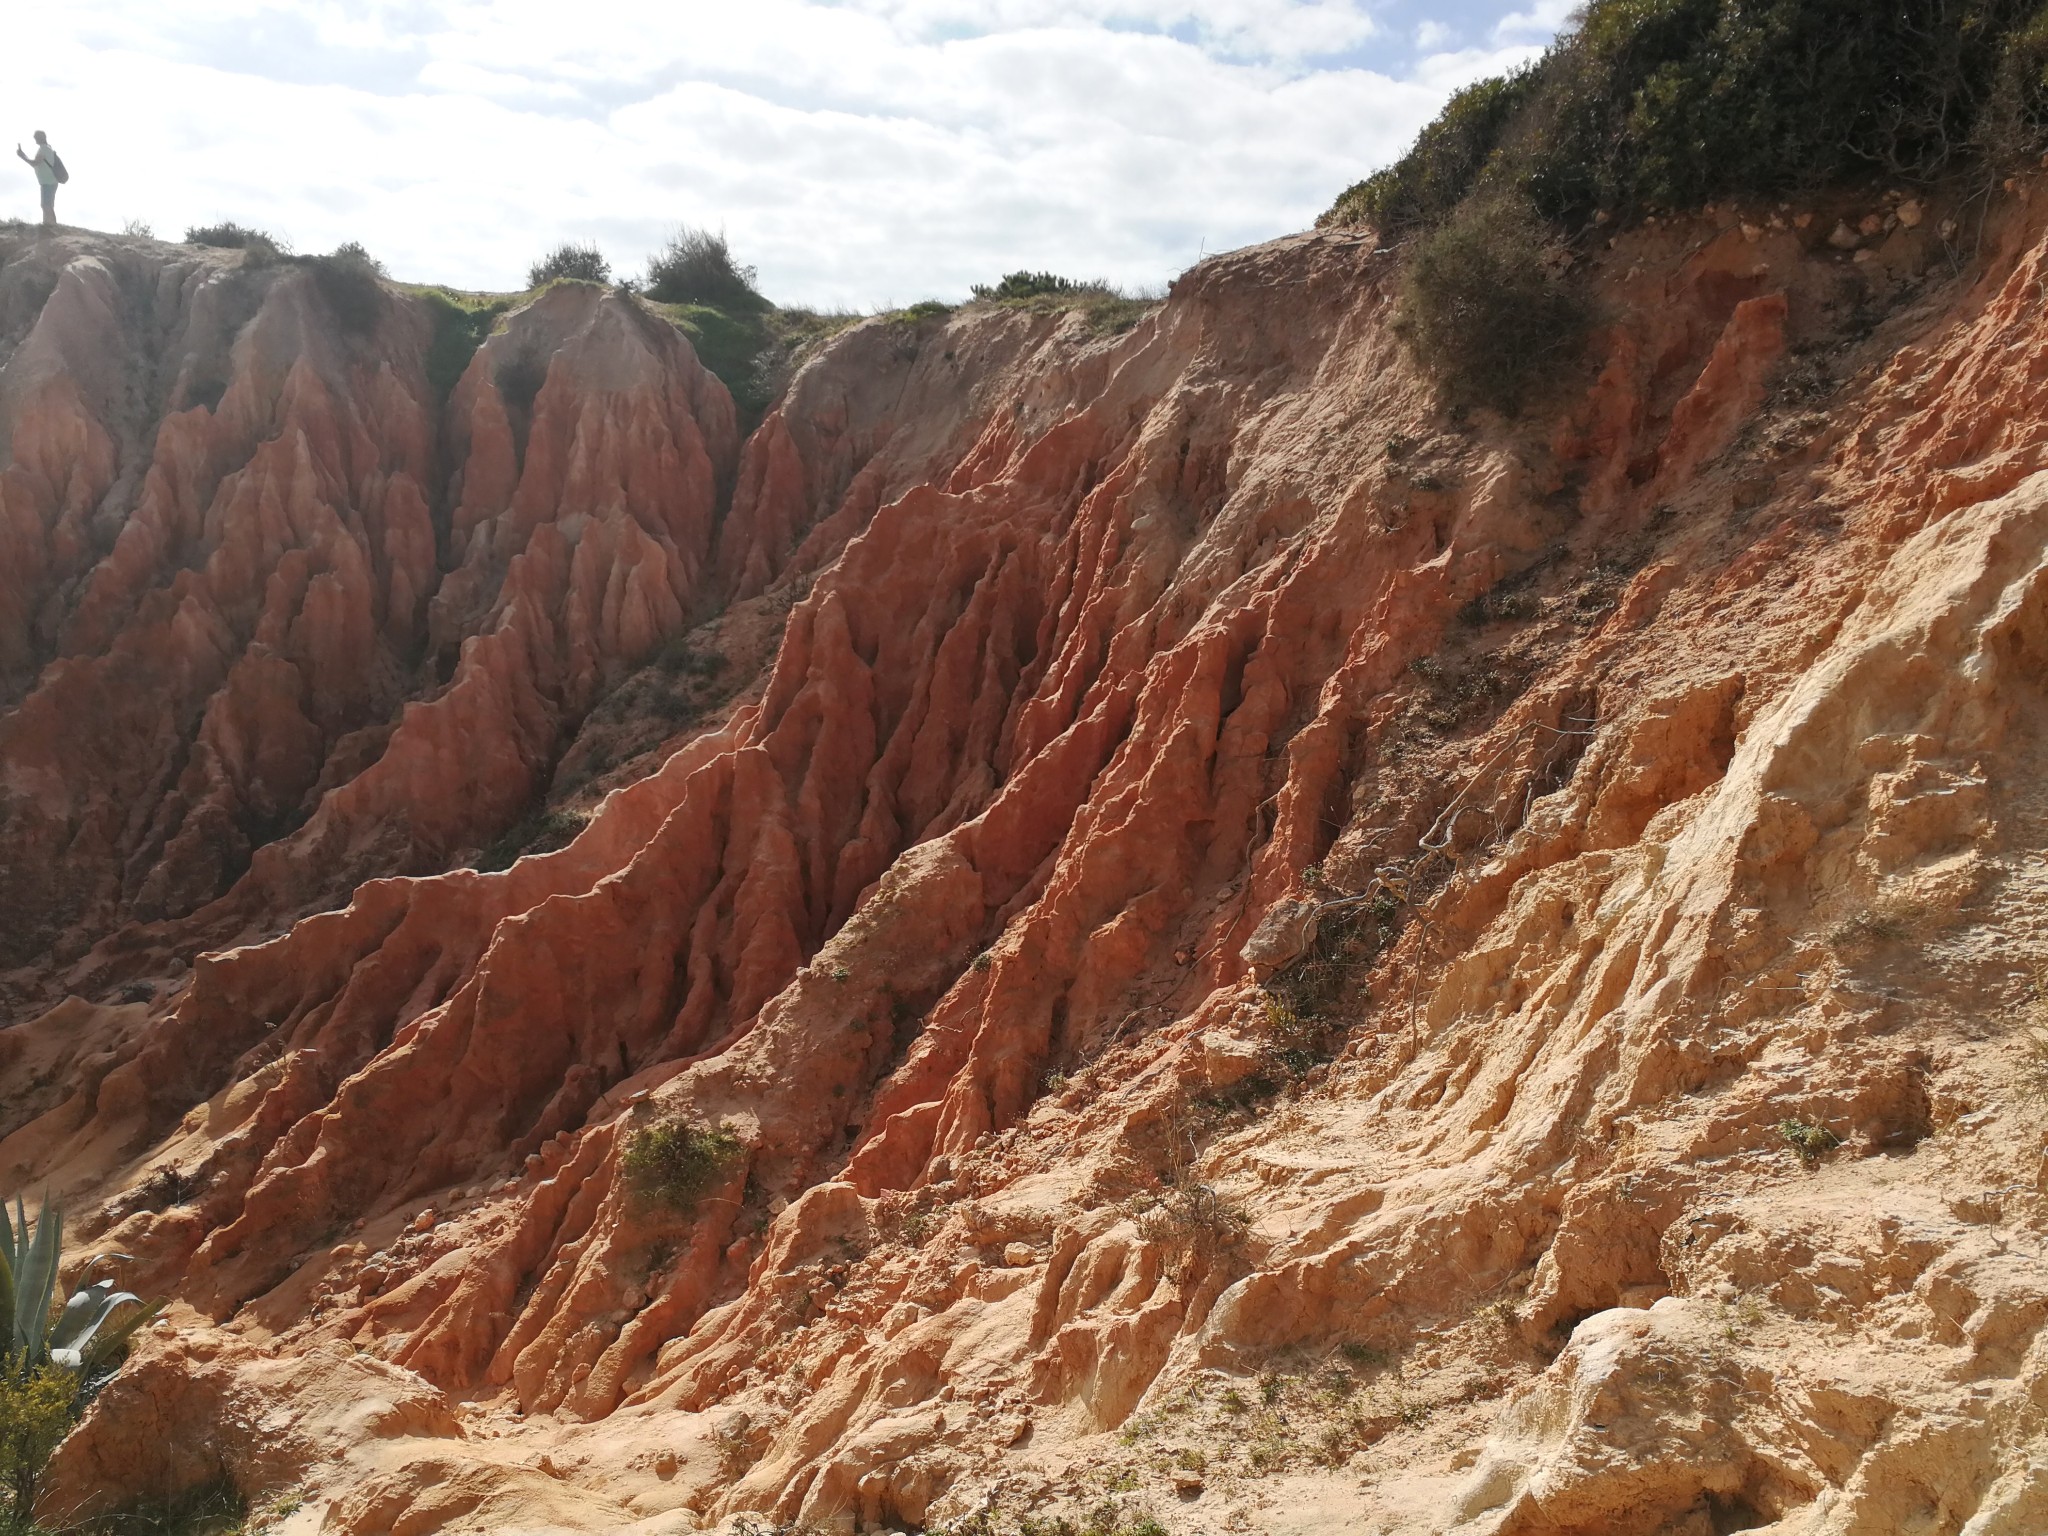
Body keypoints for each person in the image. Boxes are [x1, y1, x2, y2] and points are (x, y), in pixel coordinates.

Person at [16, 131, 61, 230]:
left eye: (36, 137)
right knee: (47, 205)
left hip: (48, 181)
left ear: (42, 137)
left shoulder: (44, 149)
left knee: (46, 205)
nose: (35, 139)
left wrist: (22, 156)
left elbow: (35, 163)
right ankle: (49, 225)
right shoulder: (46, 148)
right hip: (49, 181)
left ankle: (51, 226)